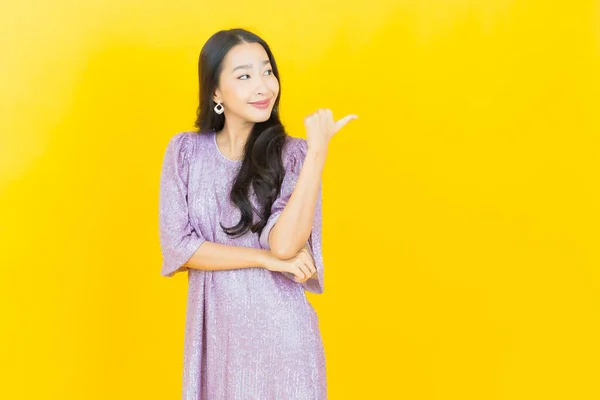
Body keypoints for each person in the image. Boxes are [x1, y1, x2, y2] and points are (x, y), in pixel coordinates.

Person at [158, 28, 357, 399]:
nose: (263, 86)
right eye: (244, 76)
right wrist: (264, 260)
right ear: (215, 91)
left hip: (283, 341)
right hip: (217, 342)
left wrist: (316, 155)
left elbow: (285, 245)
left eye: (267, 71)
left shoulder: (292, 155)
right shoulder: (185, 153)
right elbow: (180, 247)